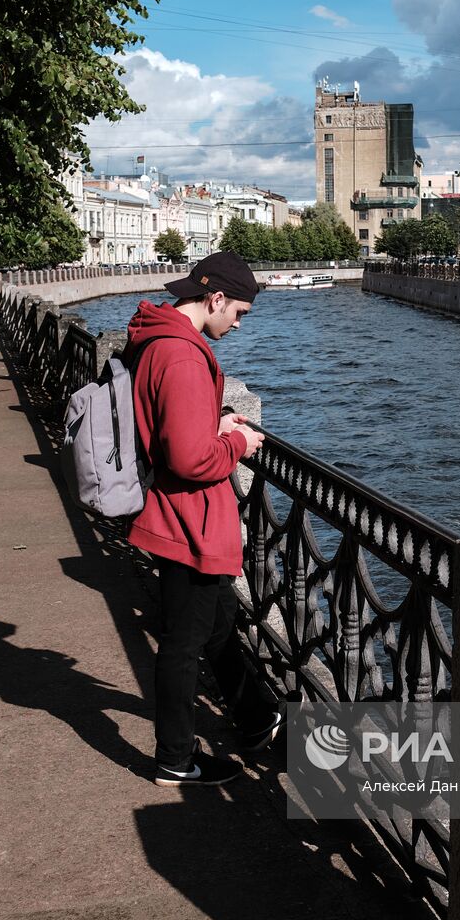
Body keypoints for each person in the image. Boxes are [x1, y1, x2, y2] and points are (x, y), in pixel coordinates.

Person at [124, 251, 281, 787]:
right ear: (214, 298)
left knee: (214, 625)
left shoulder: (158, 339)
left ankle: (260, 719)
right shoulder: (183, 356)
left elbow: (171, 424)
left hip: (174, 514)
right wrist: (236, 440)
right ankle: (174, 758)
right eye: (238, 312)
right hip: (185, 521)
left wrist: (211, 419)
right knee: (184, 644)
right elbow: (190, 460)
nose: (237, 324)